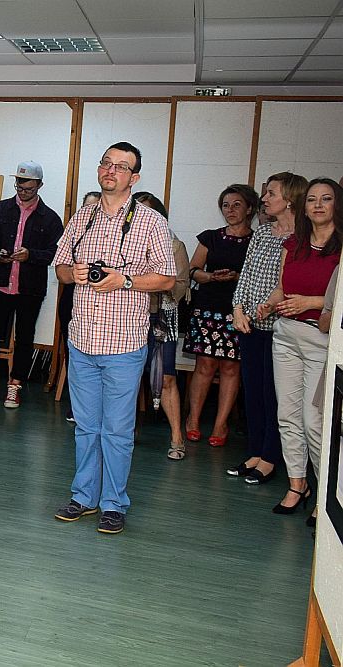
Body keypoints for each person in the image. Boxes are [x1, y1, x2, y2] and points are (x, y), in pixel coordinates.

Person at [52, 142, 176, 535]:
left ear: (133, 177)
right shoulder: (83, 216)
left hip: (124, 345)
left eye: (121, 167)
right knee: (85, 427)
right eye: (107, 163)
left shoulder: (151, 222)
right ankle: (84, 496)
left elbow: (167, 278)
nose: (111, 170)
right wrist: (75, 272)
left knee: (117, 430)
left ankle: (113, 503)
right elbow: (60, 268)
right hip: (82, 341)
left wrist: (124, 280)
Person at [257, 179, 342, 524]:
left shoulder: (341, 248)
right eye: (312, 200)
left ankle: (324, 497)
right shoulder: (293, 244)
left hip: (321, 339)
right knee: (287, 415)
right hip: (286, 335)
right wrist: (268, 304)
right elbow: (282, 288)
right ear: (303, 207)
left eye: (326, 199)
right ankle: (297, 485)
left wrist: (311, 302)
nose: (318, 205)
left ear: (337, 205)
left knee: (313, 422)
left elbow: (338, 298)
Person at [229, 173, 309, 485]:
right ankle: (255, 451)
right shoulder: (262, 233)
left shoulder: (303, 237)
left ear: (290, 199)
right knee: (253, 392)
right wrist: (238, 309)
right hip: (250, 325)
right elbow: (246, 275)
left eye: (271, 193)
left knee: (275, 395)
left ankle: (271, 457)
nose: (264, 199)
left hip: (281, 327)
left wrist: (269, 306)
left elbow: (292, 283)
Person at [0, 160, 63, 409]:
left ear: (40, 185)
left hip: (30, 288)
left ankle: (15, 385)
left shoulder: (50, 218)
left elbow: (55, 253)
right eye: (19, 186)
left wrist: (31, 255)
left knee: (25, 337)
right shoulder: (0, 209)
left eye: (28, 188)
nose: (23, 191)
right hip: (0, 283)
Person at [182, 184, 257, 447]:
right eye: (226, 205)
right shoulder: (210, 237)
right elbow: (192, 270)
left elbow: (259, 277)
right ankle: (193, 419)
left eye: (237, 205)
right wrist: (211, 277)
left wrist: (237, 277)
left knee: (231, 367)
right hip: (208, 306)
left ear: (249, 208)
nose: (230, 210)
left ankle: (220, 424)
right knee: (204, 365)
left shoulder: (257, 240)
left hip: (239, 311)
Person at [133, 192, 191, 460]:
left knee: (167, 377)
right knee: (128, 377)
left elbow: (181, 285)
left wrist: (156, 284)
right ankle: (126, 431)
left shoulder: (174, 245)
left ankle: (177, 437)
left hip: (162, 319)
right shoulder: (124, 242)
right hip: (129, 317)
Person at [61, 191, 101, 423]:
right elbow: (61, 267)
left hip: (108, 304)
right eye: (87, 207)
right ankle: (75, 405)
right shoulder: (76, 230)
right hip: (73, 296)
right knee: (73, 351)